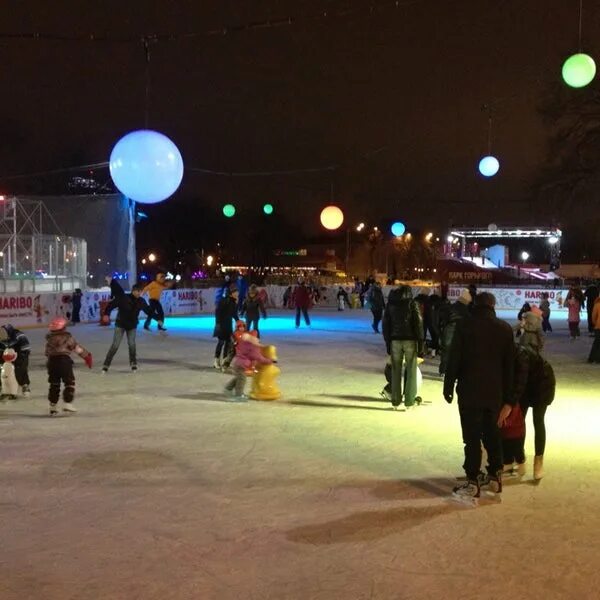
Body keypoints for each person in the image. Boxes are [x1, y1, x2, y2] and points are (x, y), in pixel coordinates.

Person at [444, 292, 516, 502]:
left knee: (472, 438)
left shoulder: (465, 326)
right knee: (492, 434)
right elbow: (510, 366)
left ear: (475, 305)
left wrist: (448, 385)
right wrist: (509, 397)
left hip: (469, 392)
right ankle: (495, 475)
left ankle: (473, 480)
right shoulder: (504, 329)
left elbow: (454, 357)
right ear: (493, 306)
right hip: (495, 393)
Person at [513, 341, 556, 480]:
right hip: (526, 386)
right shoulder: (508, 353)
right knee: (519, 423)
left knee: (538, 421)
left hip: (542, 384)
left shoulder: (520, 354)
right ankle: (520, 459)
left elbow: (520, 380)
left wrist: (510, 401)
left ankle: (538, 462)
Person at [382, 285, 424, 409]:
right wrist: (421, 344)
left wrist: (388, 343)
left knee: (395, 371)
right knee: (411, 371)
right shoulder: (412, 303)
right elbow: (419, 324)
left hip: (395, 341)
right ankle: (409, 402)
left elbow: (385, 325)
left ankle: (395, 401)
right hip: (410, 341)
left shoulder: (391, 304)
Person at [45, 317, 93, 415]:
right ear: (63, 328)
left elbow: (47, 353)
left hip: (52, 363)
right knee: (69, 382)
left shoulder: (49, 340)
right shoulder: (67, 338)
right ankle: (67, 403)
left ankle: (53, 406)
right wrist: (87, 356)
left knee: (54, 384)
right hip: (64, 362)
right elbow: (76, 348)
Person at [102, 281, 152, 372]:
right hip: (120, 324)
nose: (139, 293)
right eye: (137, 291)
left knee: (132, 344)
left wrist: (158, 317)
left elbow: (148, 311)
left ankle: (133, 363)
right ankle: (106, 364)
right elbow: (111, 305)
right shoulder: (123, 298)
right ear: (133, 291)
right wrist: (106, 314)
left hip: (132, 326)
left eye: (140, 292)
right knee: (115, 345)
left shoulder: (141, 301)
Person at [224, 331, 273, 399]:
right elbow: (259, 358)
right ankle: (239, 395)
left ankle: (228, 388)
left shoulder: (244, 344)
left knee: (239, 378)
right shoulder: (252, 348)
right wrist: (270, 361)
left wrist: (259, 346)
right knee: (242, 380)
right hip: (241, 365)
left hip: (238, 364)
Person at [438, 289, 471, 375]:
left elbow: (443, 319)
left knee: (446, 352)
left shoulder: (450, 307)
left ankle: (443, 371)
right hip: (460, 331)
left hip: (448, 329)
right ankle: (456, 372)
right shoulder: (466, 311)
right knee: (458, 353)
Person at [0, 324, 32, 396]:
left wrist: (22, 356)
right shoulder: (6, 336)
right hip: (11, 354)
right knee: (4, 369)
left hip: (22, 354)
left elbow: (24, 347)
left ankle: (25, 385)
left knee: (20, 369)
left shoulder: (18, 335)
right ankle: (4, 386)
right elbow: (2, 347)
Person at [214, 288, 239, 369]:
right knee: (221, 342)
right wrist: (218, 323)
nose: (237, 293)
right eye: (235, 292)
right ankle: (216, 361)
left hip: (228, 324)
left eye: (236, 292)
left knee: (228, 343)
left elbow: (234, 313)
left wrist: (238, 321)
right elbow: (218, 312)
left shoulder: (233, 301)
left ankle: (224, 360)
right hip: (221, 324)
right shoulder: (224, 301)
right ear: (230, 293)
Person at [587, 296, 600, 363]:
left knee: (597, 343)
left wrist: (596, 323)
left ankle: (592, 358)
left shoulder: (597, 304)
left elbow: (593, 317)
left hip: (598, 326)